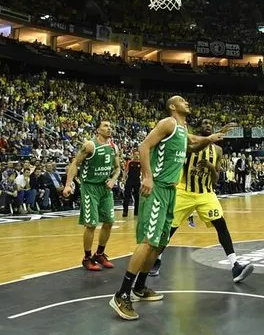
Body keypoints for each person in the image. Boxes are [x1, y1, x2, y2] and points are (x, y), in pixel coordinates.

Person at [109, 96, 230, 321]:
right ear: (173, 106)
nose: (188, 103)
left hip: (171, 191)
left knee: (160, 243)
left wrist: (212, 138)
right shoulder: (169, 123)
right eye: (183, 101)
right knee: (148, 242)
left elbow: (194, 144)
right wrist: (147, 176)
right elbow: (143, 146)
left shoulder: (183, 130)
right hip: (156, 188)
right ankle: (121, 294)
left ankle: (140, 287)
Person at [148, 118, 253, 283]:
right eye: (204, 123)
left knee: (221, 225)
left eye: (210, 123)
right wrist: (215, 135)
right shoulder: (189, 145)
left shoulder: (217, 150)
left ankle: (235, 266)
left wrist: (210, 168)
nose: (208, 125)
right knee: (169, 229)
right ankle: (157, 258)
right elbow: (196, 147)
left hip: (206, 194)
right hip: (185, 192)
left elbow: (215, 179)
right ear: (198, 128)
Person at [63, 120, 121, 271]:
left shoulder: (114, 147)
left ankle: (99, 254)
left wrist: (113, 180)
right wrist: (69, 184)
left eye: (111, 126)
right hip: (90, 188)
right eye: (106, 126)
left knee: (109, 222)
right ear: (98, 130)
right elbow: (75, 164)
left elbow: (118, 169)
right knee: (91, 224)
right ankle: (87, 257)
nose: (109, 128)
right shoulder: (90, 145)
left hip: (105, 189)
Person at [122, 149, 141, 218]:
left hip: (137, 181)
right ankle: (125, 211)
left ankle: (136, 212)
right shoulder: (129, 162)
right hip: (130, 180)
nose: (136, 155)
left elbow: (143, 172)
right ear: (133, 155)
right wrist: (123, 179)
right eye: (135, 154)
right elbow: (125, 171)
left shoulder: (141, 163)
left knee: (137, 197)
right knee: (126, 195)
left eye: (138, 154)